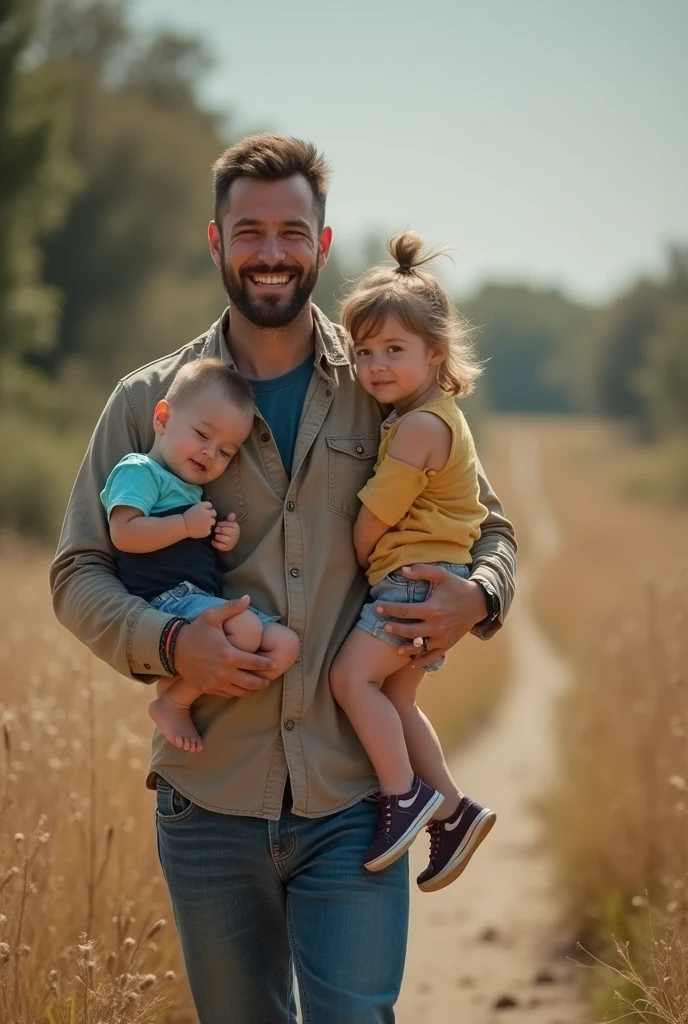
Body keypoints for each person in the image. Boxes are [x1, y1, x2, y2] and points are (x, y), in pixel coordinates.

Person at [51, 133, 516, 1024]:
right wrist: (170, 641)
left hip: (357, 802)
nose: (272, 252)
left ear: (324, 244)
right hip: (210, 799)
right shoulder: (147, 397)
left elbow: (487, 526)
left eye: (292, 231)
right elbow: (78, 573)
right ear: (216, 241)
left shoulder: (388, 377)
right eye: (251, 230)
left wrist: (481, 593)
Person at [329, 232, 496, 889]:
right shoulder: (432, 414)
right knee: (397, 699)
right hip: (432, 578)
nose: (375, 366)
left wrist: (350, 561)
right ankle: (453, 811)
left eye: (394, 351)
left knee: (351, 682)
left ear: (436, 352)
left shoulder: (422, 427)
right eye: (364, 352)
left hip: (410, 581)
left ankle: (403, 797)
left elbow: (375, 516)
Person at [100, 359, 300, 752]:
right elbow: (124, 534)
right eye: (202, 435)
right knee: (245, 631)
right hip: (165, 598)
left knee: (285, 645)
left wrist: (221, 537)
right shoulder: (139, 471)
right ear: (162, 418)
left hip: (198, 597)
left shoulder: (189, 490)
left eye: (226, 451)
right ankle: (174, 701)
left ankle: (226, 685)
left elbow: (188, 546)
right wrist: (187, 526)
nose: (211, 454)